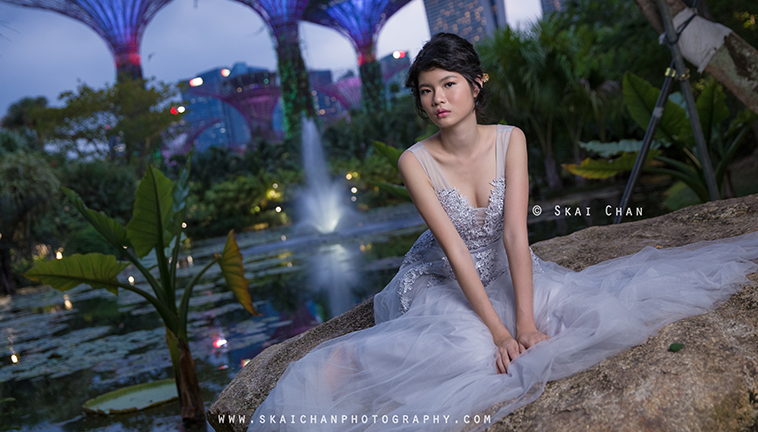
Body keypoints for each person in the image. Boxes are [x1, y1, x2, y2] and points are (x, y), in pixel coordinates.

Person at [247, 33, 758, 431]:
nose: (437, 99)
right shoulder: (414, 161)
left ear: (476, 84)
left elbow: (516, 235)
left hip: (506, 263)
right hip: (443, 276)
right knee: (474, 354)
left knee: (590, 318)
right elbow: (452, 247)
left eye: (448, 84)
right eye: (426, 91)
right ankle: (346, 358)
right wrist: (499, 331)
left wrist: (526, 324)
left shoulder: (510, 140)